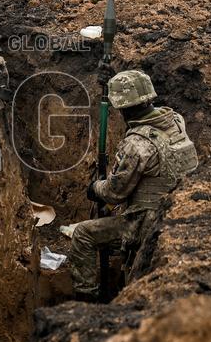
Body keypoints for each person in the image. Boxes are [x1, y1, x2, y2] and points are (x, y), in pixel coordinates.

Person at [68, 70, 198, 302]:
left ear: (122, 109)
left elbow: (114, 193)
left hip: (147, 221)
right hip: (182, 210)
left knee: (83, 234)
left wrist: (94, 188)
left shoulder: (137, 144)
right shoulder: (176, 120)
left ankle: (85, 302)